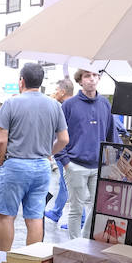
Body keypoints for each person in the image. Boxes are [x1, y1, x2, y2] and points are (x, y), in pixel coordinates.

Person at [0, 63, 68, 251]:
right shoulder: (54, 105)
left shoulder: (11, 103)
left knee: (6, 215)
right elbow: (64, 139)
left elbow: (1, 142)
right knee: (35, 217)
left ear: (21, 81)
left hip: (15, 165)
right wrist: (48, 154)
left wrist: (2, 161)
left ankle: (3, 259)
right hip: (41, 167)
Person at [55, 68, 115, 237]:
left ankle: (85, 241)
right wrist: (66, 162)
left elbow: (111, 136)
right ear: (80, 80)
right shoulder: (69, 105)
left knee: (97, 207)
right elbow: (58, 135)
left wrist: (111, 164)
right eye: (87, 76)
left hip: (98, 166)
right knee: (76, 208)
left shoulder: (105, 104)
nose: (92, 79)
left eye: (95, 75)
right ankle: (74, 245)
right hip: (75, 164)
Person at [43, 78, 75, 225]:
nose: (54, 93)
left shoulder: (66, 107)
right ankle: (57, 212)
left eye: (56, 89)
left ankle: (76, 219)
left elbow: (63, 136)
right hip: (71, 153)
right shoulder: (74, 106)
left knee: (68, 185)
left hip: (67, 153)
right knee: (68, 185)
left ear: (63, 91)